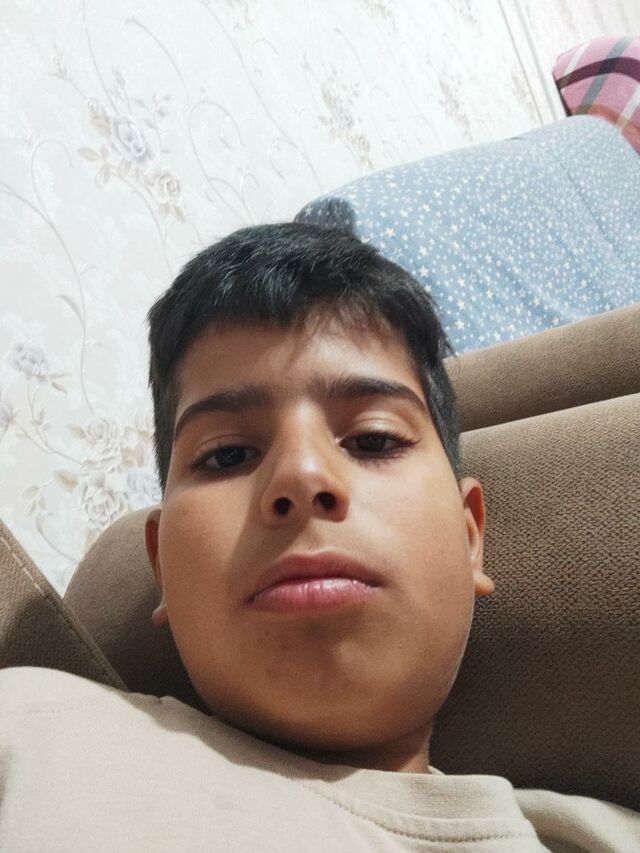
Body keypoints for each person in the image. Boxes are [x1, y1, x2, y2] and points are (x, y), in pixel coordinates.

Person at [0, 222, 638, 851]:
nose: (302, 476)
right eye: (228, 455)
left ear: (469, 535)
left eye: (373, 440)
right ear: (161, 565)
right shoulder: (32, 724)